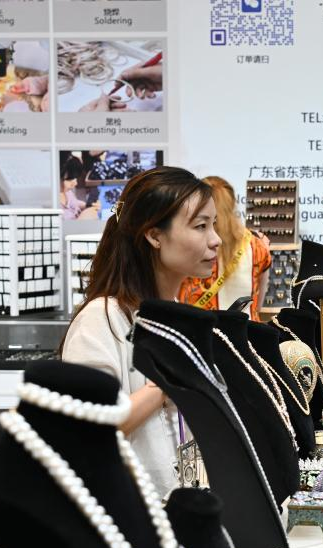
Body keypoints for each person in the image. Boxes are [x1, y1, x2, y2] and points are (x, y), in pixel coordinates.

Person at [61, 167, 220, 496]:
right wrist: (166, 380)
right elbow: (86, 429)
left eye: (213, 224)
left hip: (179, 505)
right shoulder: (102, 319)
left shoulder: (176, 314)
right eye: (201, 226)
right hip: (126, 514)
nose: (215, 239)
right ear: (154, 236)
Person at [178, 176, 272, 321]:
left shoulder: (189, 244)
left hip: (198, 329)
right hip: (246, 330)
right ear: (233, 203)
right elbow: (257, 305)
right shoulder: (258, 246)